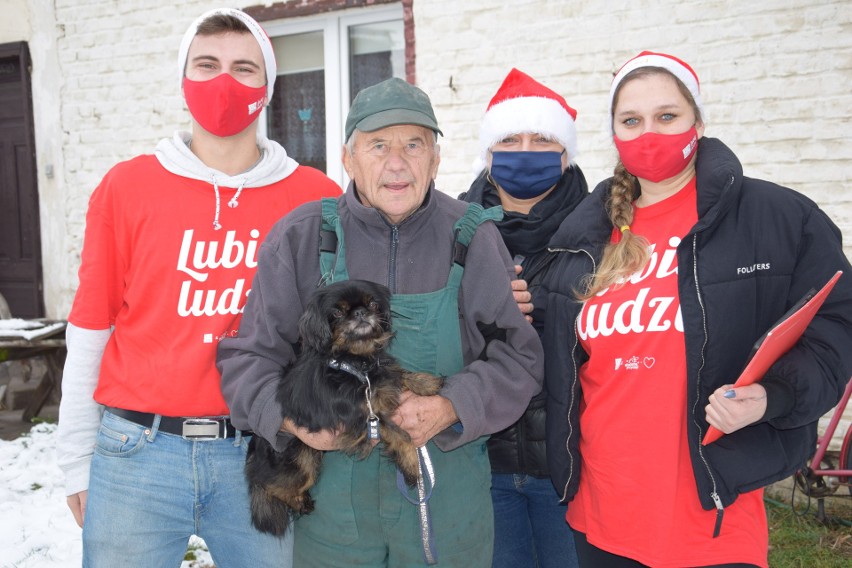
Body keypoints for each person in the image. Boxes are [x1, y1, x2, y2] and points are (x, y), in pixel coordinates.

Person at [540, 51, 852, 567]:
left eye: (667, 117)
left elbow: (837, 325)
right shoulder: (583, 234)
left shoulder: (776, 218)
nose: (649, 134)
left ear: (698, 121)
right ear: (613, 133)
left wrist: (772, 396)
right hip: (601, 512)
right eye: (631, 121)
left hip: (712, 514)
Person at [217, 77, 544, 567]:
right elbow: (249, 357)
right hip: (331, 511)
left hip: (444, 498)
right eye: (378, 146)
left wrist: (452, 405)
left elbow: (519, 357)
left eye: (414, 144)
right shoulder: (303, 237)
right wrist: (294, 423)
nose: (397, 163)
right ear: (348, 160)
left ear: (435, 159)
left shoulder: (472, 237)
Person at [55, 8, 341, 567]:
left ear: (268, 87)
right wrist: (74, 456)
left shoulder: (316, 197)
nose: (224, 83)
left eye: (244, 68)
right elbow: (91, 324)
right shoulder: (127, 186)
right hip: (137, 453)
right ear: (183, 81)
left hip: (262, 453)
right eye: (206, 65)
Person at [459, 68, 585, 568]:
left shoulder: (600, 233)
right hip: (480, 462)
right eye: (510, 139)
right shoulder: (454, 230)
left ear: (565, 153)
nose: (525, 150)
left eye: (542, 139)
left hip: (571, 468)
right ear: (488, 156)